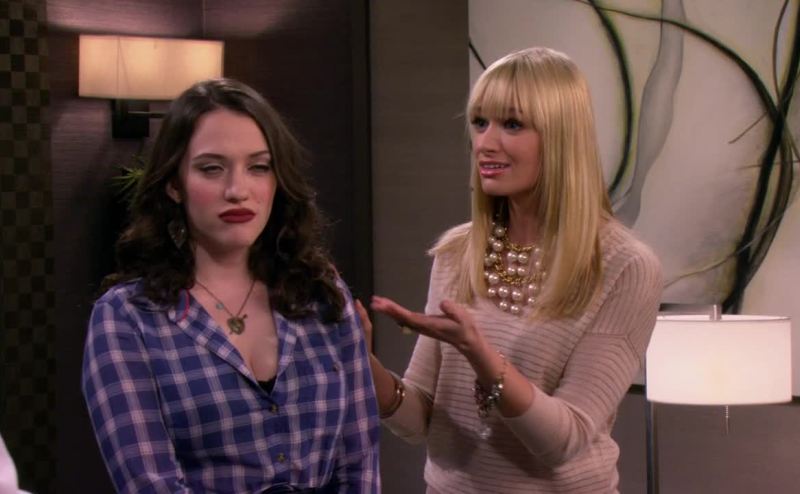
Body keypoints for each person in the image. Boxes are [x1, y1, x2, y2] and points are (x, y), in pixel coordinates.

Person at [360, 47, 663, 493]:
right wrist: (361, 366)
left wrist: (480, 355)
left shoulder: (626, 267)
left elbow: (565, 440)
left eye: (512, 124)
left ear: (561, 137)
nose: (485, 143)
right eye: (479, 122)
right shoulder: (458, 252)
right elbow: (421, 419)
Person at [81, 78, 380, 494]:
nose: (238, 191)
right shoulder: (128, 319)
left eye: (259, 167)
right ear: (174, 184)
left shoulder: (321, 295)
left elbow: (359, 466)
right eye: (211, 168)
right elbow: (151, 484)